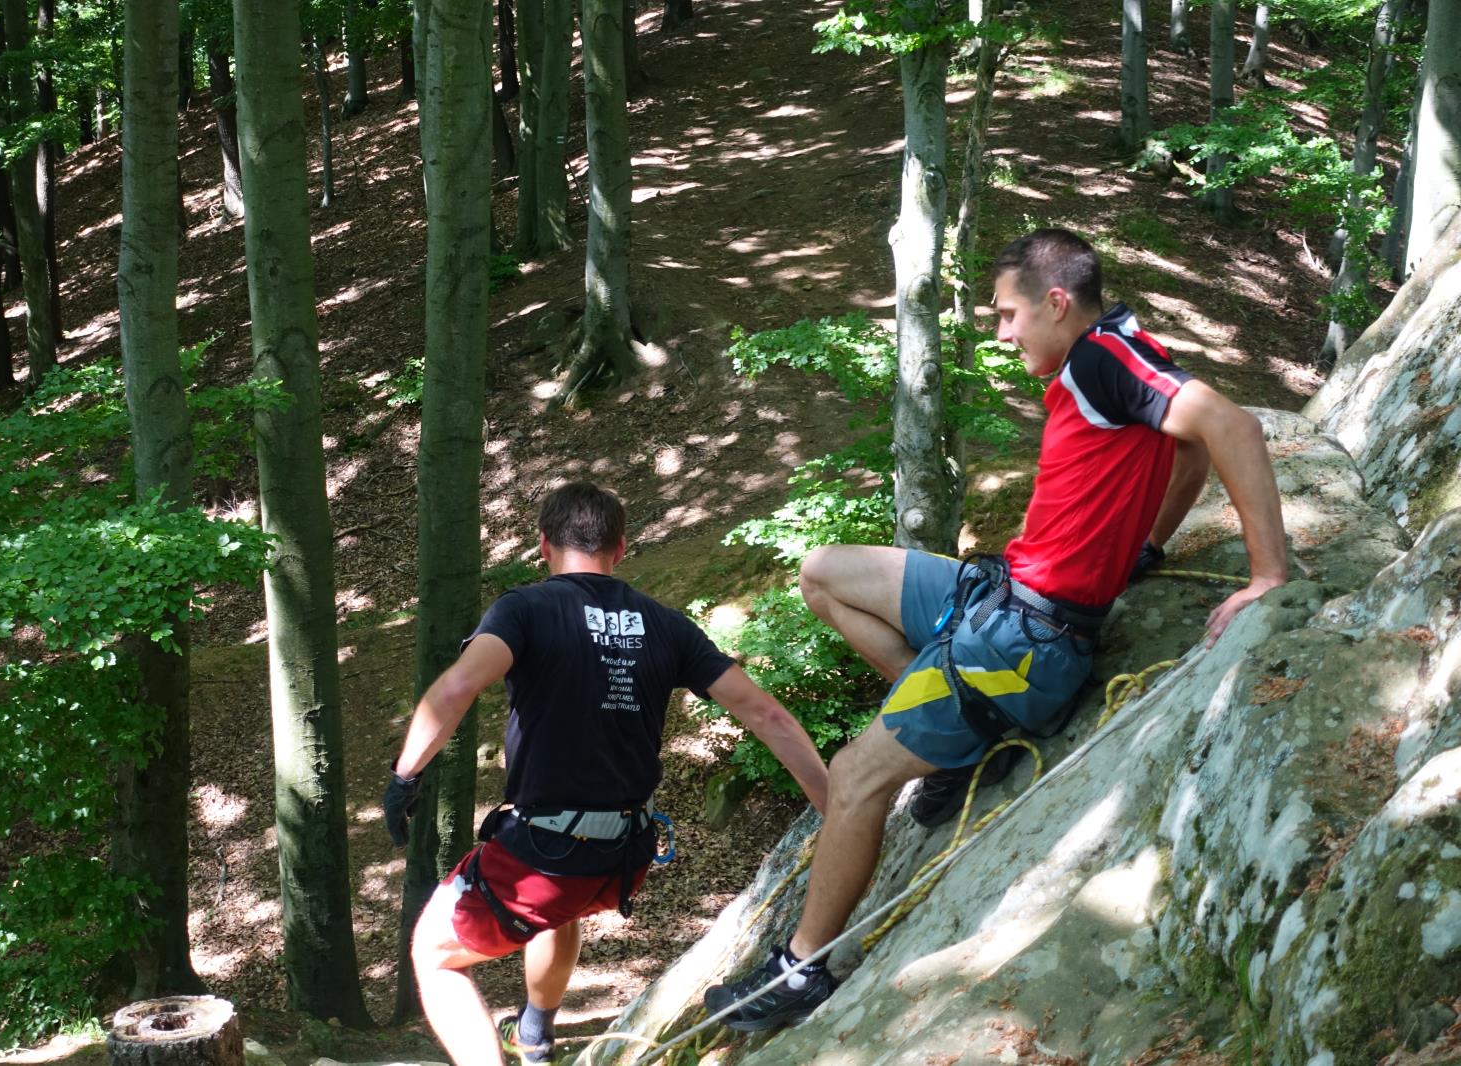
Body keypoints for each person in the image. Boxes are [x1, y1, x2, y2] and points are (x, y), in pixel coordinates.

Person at [701, 227, 1289, 1031]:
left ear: (1057, 303)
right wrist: (1142, 548)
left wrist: (1266, 576)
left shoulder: (1103, 360)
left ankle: (799, 970)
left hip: (1024, 640)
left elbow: (1231, 427)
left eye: (1008, 314)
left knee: (856, 776)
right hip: (1000, 595)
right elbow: (1184, 448)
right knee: (823, 573)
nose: (1002, 333)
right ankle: (955, 737)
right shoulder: (1118, 353)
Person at [385, 482, 830, 1065]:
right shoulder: (666, 625)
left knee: (435, 955)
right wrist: (837, 809)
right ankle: (534, 1034)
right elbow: (766, 714)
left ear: (544, 545)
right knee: (557, 911)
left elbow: (458, 687)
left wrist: (406, 776)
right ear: (620, 548)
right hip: (624, 857)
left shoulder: (524, 610)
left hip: (545, 855)